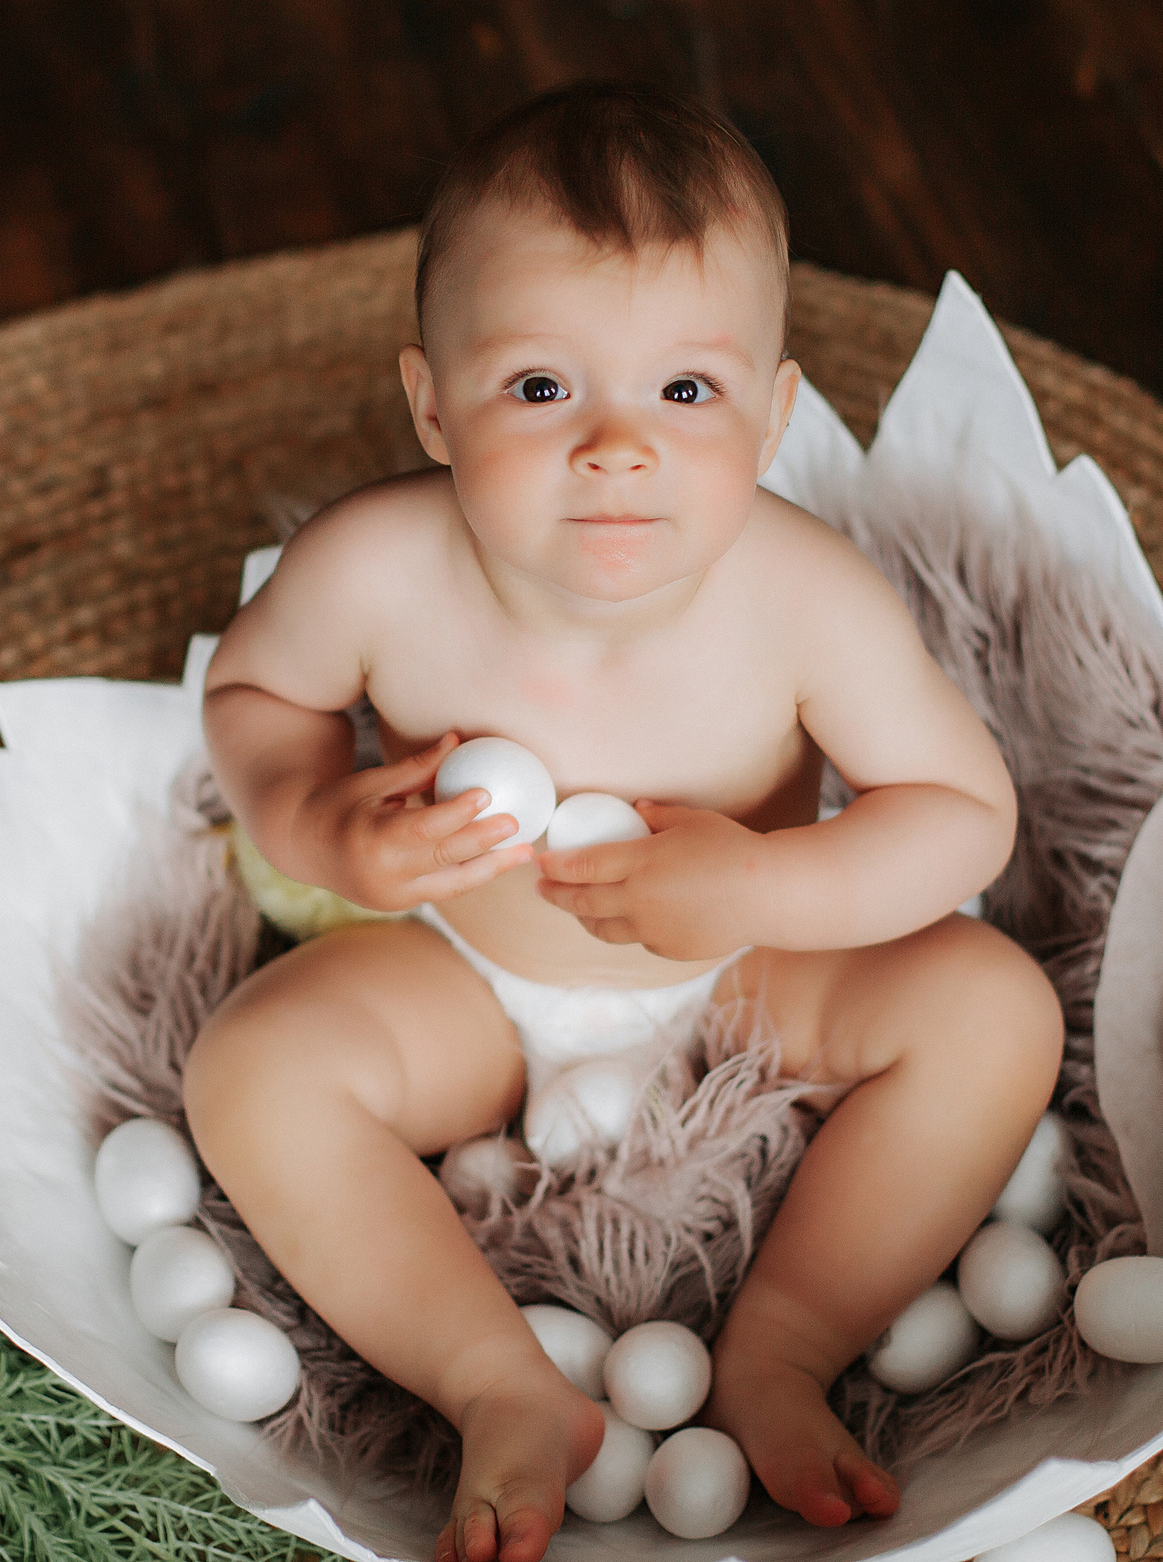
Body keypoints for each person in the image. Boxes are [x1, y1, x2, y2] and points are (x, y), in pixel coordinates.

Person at [187, 82, 1062, 1562]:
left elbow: (963, 814)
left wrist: (763, 888)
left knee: (995, 1012)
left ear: (775, 416)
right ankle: (498, 1385)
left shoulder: (802, 597)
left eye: (685, 392)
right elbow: (256, 693)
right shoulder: (379, 564)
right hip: (468, 978)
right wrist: (327, 824)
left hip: (741, 980)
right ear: (431, 403)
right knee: (250, 1073)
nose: (614, 448)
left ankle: (783, 1343)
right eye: (540, 389)